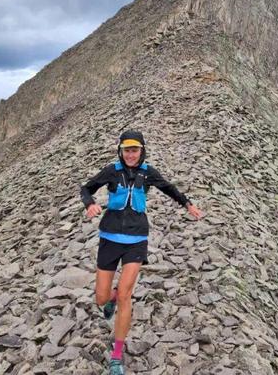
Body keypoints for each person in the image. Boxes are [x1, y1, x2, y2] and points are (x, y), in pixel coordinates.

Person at [80, 129, 203, 375]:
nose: (131, 154)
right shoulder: (111, 171)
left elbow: (168, 188)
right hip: (110, 237)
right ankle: (110, 299)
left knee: (126, 294)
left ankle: (116, 355)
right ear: (121, 150)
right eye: (127, 150)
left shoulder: (148, 173)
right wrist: (90, 204)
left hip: (137, 238)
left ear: (142, 150)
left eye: (135, 150)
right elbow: (86, 188)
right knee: (101, 299)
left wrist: (187, 204)